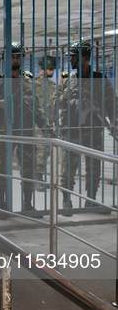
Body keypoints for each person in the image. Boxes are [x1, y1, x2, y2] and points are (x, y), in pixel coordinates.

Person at [54, 41, 116, 215]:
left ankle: (91, 199)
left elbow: (112, 102)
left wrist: (112, 121)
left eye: (74, 56)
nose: (71, 60)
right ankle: (66, 201)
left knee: (94, 167)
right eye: (71, 56)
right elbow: (54, 101)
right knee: (68, 168)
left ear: (86, 58)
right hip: (71, 131)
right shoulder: (67, 79)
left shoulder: (99, 79)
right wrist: (67, 95)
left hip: (93, 130)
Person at [0, 42, 45, 219]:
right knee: (2, 168)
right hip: (5, 131)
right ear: (6, 59)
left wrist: (45, 127)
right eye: (13, 56)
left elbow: (36, 106)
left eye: (19, 56)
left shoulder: (28, 80)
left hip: (26, 131)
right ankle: (1, 205)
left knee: (28, 168)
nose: (16, 59)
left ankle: (28, 204)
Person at [33, 55, 58, 191]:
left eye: (53, 69)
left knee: (47, 150)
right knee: (41, 150)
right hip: (38, 124)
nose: (51, 71)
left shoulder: (53, 86)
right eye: (49, 69)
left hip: (50, 122)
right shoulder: (33, 83)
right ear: (41, 69)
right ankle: (37, 179)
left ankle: (39, 178)